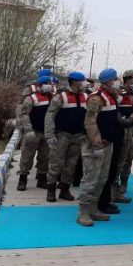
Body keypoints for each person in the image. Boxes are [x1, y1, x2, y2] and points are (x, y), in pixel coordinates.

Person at [78, 69, 133, 227]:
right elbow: (90, 122)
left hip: (108, 144)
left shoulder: (110, 98)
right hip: (95, 145)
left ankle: (94, 208)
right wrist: (96, 143)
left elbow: (114, 119)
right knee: (90, 179)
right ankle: (83, 212)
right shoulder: (96, 98)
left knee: (102, 179)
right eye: (114, 79)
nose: (117, 81)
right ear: (108, 81)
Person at [45, 71, 88, 202]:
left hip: (78, 136)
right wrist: (50, 135)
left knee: (71, 164)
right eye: (82, 81)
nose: (83, 84)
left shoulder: (86, 96)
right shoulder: (61, 97)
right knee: (56, 163)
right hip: (62, 135)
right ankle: (51, 191)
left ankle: (65, 190)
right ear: (74, 82)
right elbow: (50, 115)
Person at [17, 75, 54, 191]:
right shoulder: (31, 98)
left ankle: (42, 180)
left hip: (47, 133)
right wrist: (28, 130)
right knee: (27, 156)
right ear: (40, 85)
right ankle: (22, 179)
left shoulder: (53, 98)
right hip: (34, 132)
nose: (50, 85)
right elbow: (24, 114)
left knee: (45, 157)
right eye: (47, 83)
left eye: (50, 83)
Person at [112, 70, 133, 204]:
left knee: (128, 158)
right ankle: (114, 190)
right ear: (128, 79)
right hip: (121, 128)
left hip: (132, 128)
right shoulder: (119, 93)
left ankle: (123, 185)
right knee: (119, 160)